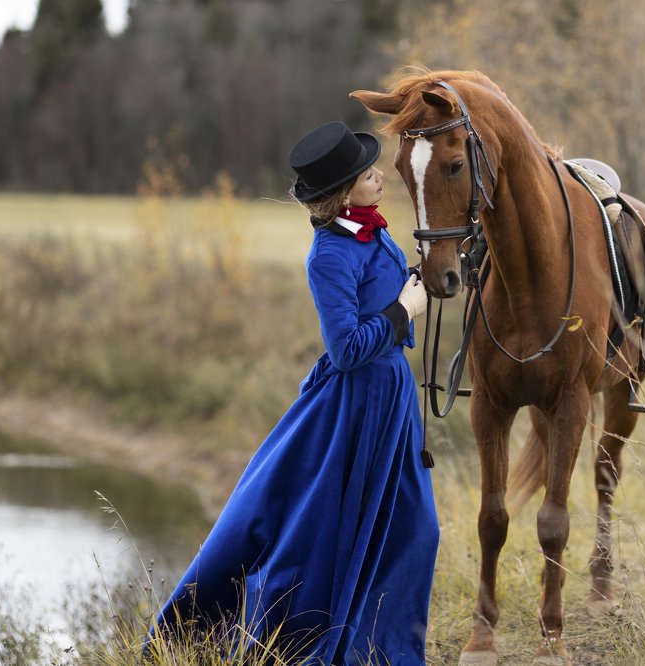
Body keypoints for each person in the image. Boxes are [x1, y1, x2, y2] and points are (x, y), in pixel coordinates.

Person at [150, 120, 439, 665]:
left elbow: (382, 295)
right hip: (357, 409)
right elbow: (346, 349)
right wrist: (404, 311)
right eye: (367, 173)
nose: (379, 175)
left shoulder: (372, 228)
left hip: (392, 399)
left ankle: (385, 649)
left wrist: (423, 280)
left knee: (415, 529)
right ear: (343, 193)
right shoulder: (329, 255)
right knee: (336, 537)